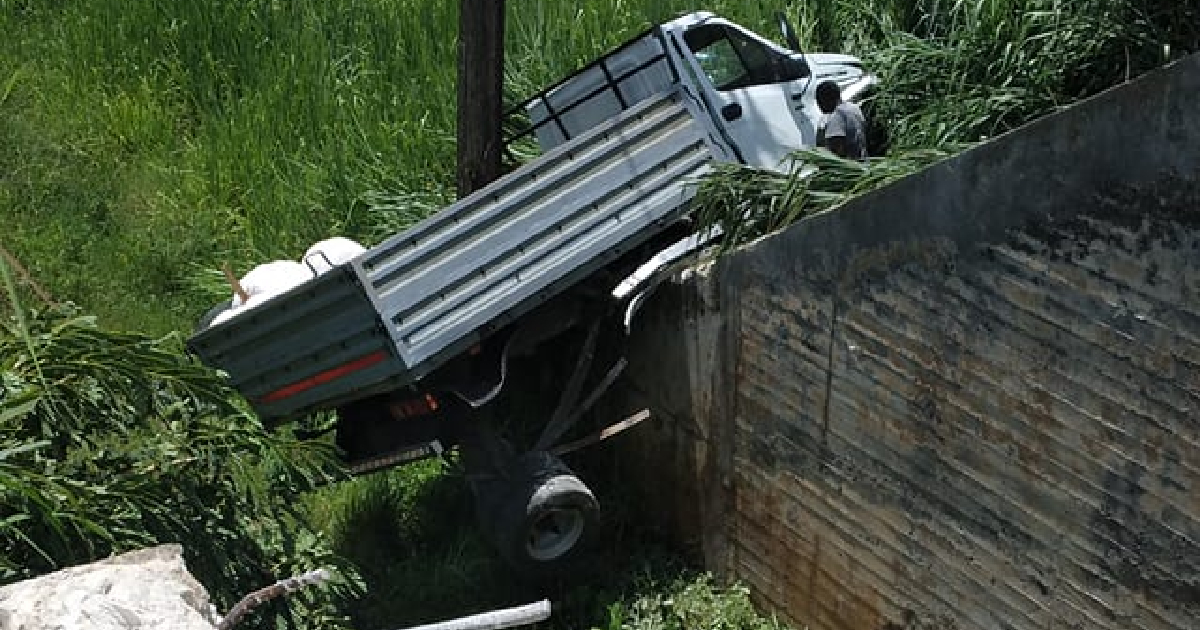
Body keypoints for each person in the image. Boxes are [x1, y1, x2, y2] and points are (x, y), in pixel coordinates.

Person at [815, 80, 868, 161]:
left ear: (826, 99)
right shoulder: (854, 108)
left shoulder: (836, 118)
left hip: (849, 168)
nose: (819, 106)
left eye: (819, 101)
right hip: (862, 160)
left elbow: (837, 151)